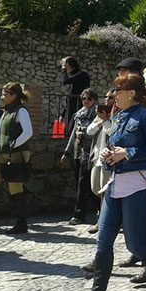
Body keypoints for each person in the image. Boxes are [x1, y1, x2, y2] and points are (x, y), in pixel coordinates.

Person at [70, 74, 146, 291]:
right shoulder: (118, 116)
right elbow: (113, 150)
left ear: (132, 93)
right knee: (103, 240)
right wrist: (108, 158)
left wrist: (127, 153)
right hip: (116, 184)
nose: (115, 94)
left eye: (119, 90)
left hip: (137, 185)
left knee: (136, 244)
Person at [0, 83, 33, 234]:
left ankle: (21, 224)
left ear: (14, 95)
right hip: (2, 154)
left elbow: (28, 132)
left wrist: (13, 144)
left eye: (5, 94)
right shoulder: (6, 111)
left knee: (15, 187)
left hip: (16, 154)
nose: (2, 97)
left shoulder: (21, 111)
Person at [62, 88, 99, 225]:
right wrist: (67, 152)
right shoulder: (78, 114)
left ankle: (79, 214)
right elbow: (73, 134)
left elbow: (94, 131)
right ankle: (98, 210)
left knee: (84, 184)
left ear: (94, 100)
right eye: (84, 98)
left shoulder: (97, 114)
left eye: (89, 99)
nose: (86, 101)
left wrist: (83, 134)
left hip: (90, 152)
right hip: (79, 152)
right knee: (83, 184)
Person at [85, 89, 116, 234]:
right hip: (97, 157)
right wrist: (100, 121)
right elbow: (89, 131)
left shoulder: (117, 116)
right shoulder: (100, 115)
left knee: (105, 191)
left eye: (110, 98)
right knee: (95, 188)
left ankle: (102, 221)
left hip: (109, 158)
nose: (106, 100)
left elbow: (111, 131)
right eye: (106, 97)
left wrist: (107, 121)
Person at [61, 56, 91, 137]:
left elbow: (65, 81)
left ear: (70, 65)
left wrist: (63, 69)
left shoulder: (82, 75)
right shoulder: (75, 76)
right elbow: (70, 95)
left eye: (65, 65)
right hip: (70, 107)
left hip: (78, 107)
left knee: (72, 131)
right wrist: (63, 114)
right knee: (67, 132)